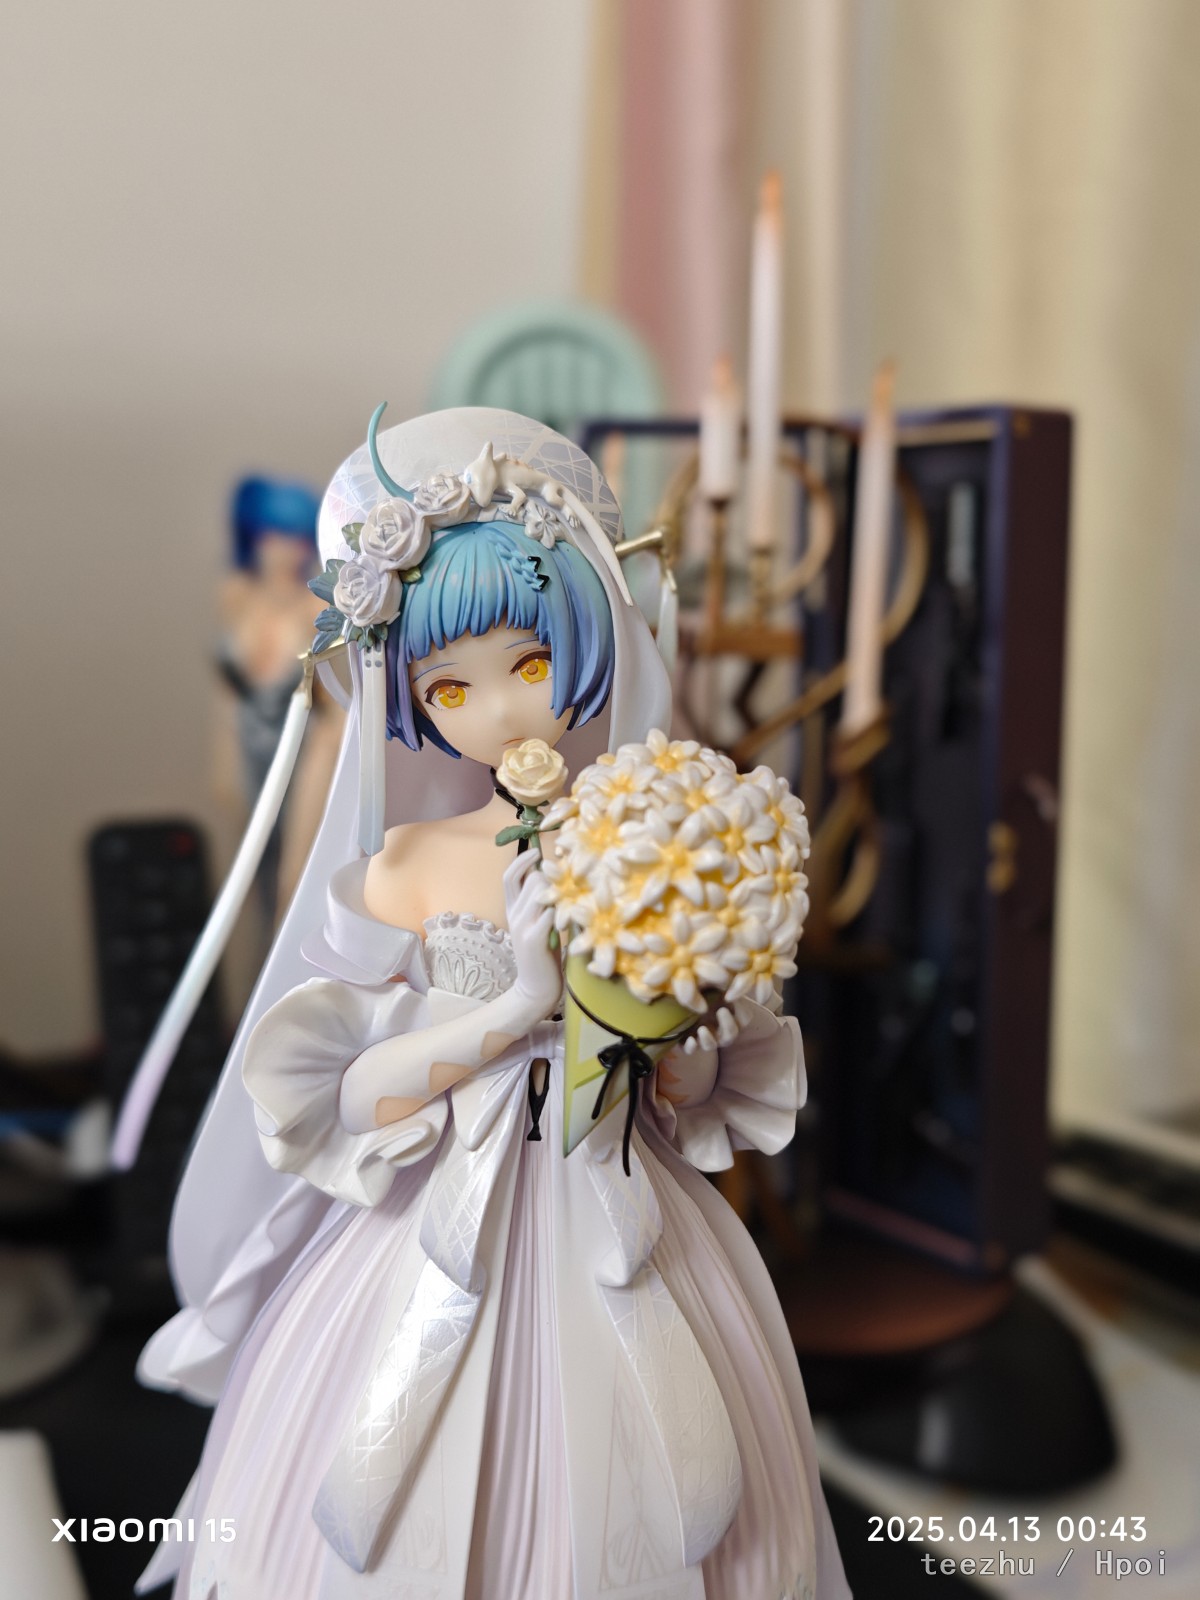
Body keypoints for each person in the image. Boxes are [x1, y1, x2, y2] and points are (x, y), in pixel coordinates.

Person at [136, 408, 851, 1600]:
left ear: (589, 648)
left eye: (530, 665)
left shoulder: (654, 847)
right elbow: (341, 1096)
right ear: (410, 699)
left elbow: (694, 1092)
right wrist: (510, 1005)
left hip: (621, 1209)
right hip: (430, 1227)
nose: (502, 711)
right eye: (449, 685)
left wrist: (667, 1027)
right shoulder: (410, 864)